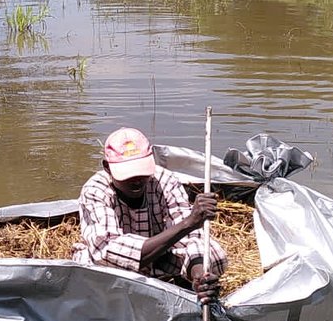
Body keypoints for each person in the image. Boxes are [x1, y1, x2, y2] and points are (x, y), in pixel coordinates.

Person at [73, 127, 227, 304]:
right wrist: (189, 223)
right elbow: (108, 250)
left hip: (160, 259)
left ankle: (188, 290)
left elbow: (193, 241)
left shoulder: (165, 181)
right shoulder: (95, 190)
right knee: (89, 265)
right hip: (117, 270)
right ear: (107, 168)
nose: (137, 180)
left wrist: (200, 277)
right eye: (128, 174)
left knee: (212, 252)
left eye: (141, 172)